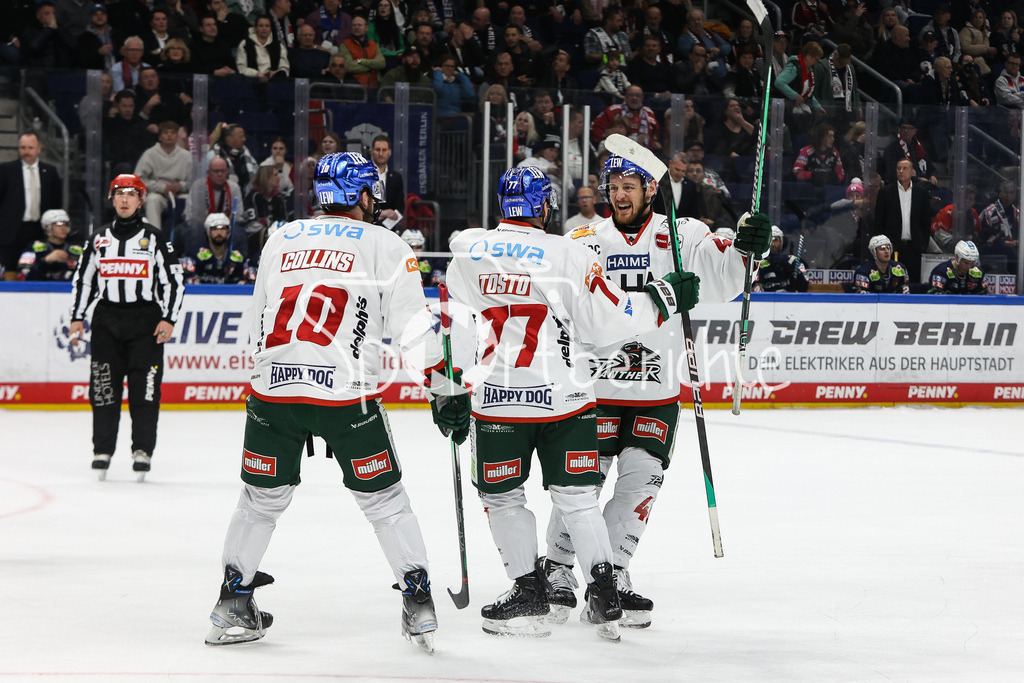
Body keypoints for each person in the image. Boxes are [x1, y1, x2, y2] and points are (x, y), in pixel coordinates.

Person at [203, 151, 469, 653]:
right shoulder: (385, 244)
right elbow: (415, 333)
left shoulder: (280, 236)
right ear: (362, 196)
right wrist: (443, 389)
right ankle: (417, 600)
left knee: (258, 502)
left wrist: (270, 380)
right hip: (345, 396)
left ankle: (233, 599)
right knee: (385, 500)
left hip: (274, 392)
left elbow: (258, 315)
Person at [446, 165, 700, 640]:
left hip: (499, 401)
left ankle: (528, 593)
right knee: (579, 498)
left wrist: (448, 387)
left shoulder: (467, 247)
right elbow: (608, 322)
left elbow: (454, 323)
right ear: (544, 206)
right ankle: (604, 591)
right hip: (568, 398)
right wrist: (663, 297)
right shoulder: (568, 250)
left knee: (503, 498)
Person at [543, 156, 769, 629]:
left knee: (640, 486)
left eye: (630, 185)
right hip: (595, 388)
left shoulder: (683, 234)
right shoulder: (583, 241)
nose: (619, 194)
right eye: (613, 186)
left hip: (658, 389)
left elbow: (725, 276)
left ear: (650, 190)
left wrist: (748, 248)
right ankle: (558, 569)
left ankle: (615, 573)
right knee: (581, 487)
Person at [69, 174, 184, 478]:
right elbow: (83, 280)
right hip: (107, 321)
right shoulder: (98, 238)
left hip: (145, 322)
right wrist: (77, 316)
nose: (124, 199)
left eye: (131, 194)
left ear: (140, 200)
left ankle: (142, 450)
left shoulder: (156, 238)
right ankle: (102, 449)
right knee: (104, 390)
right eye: (119, 193)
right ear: (112, 199)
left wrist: (169, 318)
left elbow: (174, 280)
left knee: (144, 391)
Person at [0, 131, 63, 279]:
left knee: (36, 266)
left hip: (39, 230)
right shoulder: (6, 170)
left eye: (30, 148)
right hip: (11, 231)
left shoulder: (50, 171)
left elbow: (56, 202)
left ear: (39, 148)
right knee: (10, 268)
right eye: (22, 148)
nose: (26, 152)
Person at [874, 159, 933, 282]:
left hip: (914, 248)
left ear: (912, 172)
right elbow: (879, 221)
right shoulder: (886, 192)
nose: (901, 171)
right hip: (892, 248)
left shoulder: (921, 193)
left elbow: (926, 222)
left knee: (913, 281)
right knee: (891, 282)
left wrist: (923, 245)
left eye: (904, 168)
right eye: (898, 168)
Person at [134, 120, 192, 232]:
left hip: (180, 194)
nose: (169, 135)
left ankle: (185, 235)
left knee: (190, 200)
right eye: (166, 133)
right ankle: (155, 236)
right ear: (160, 136)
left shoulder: (187, 156)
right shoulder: (150, 154)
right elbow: (138, 179)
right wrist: (162, 188)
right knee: (152, 200)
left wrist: (180, 186)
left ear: (177, 135)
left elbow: (193, 182)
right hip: (158, 194)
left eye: (173, 132)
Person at [180, 212, 251, 284]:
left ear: (228, 232)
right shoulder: (196, 257)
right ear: (208, 232)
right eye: (214, 229)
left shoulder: (238, 258)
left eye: (223, 228)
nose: (219, 232)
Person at [17, 208, 82, 281]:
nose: (63, 228)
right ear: (47, 227)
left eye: (66, 224)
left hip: (67, 290)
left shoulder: (76, 250)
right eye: (59, 224)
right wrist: (45, 261)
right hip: (38, 290)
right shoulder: (33, 247)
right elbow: (23, 276)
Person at [590, 86, 661, 152]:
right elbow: (595, 127)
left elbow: (655, 135)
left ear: (642, 98)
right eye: (631, 95)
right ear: (625, 96)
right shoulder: (612, 110)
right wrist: (606, 135)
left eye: (638, 95)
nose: (634, 98)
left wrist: (654, 142)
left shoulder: (649, 113)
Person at [186, 156, 242, 236]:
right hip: (202, 226)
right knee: (194, 230)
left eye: (223, 171)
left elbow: (238, 216)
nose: (220, 174)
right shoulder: (198, 186)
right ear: (208, 173)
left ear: (227, 172)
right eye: (216, 171)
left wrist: (222, 226)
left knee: (239, 232)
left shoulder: (234, 188)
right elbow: (190, 215)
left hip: (226, 227)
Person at [207, 123, 259, 195]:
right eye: (241, 137)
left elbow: (256, 177)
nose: (244, 139)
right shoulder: (212, 156)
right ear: (229, 139)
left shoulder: (248, 157)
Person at [753, 225, 809, 292]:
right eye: (769, 240)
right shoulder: (757, 263)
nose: (773, 244)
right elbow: (755, 289)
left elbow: (804, 286)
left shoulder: (791, 260)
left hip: (788, 300)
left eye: (775, 240)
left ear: (782, 242)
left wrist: (792, 266)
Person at [237, 15, 290, 81]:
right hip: (251, 81)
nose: (264, 28)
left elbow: (285, 68)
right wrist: (256, 74)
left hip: (274, 82)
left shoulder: (278, 46)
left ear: (270, 28)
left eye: (267, 26)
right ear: (255, 28)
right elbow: (241, 68)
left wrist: (274, 73)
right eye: (261, 26)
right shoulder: (245, 44)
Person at [792, 122, 845, 187]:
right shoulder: (806, 151)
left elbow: (840, 172)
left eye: (833, 136)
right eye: (829, 136)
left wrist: (835, 179)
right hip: (809, 187)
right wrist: (813, 176)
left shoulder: (835, 153)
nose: (833, 139)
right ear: (821, 137)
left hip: (829, 188)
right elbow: (797, 170)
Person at [341, 15, 385, 88]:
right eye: (354, 25)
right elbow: (349, 67)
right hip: (354, 86)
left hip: (373, 86)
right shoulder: (345, 45)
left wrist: (361, 61)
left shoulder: (374, 45)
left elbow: (382, 64)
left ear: (366, 28)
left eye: (360, 25)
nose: (356, 27)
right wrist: (373, 65)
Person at [369, 135, 403, 226]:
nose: (381, 153)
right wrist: (382, 213)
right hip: (367, 226)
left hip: (389, 229)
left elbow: (400, 208)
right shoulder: (363, 175)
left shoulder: (396, 177)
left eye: (384, 150)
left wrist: (385, 225)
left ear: (389, 152)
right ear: (372, 151)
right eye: (377, 150)